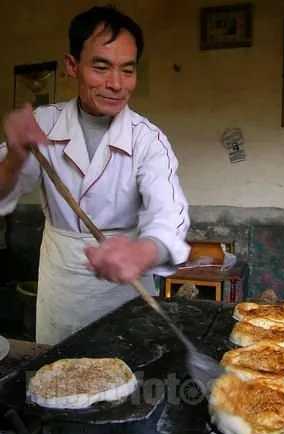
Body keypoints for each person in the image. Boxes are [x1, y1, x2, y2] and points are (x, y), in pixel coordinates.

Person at [0, 5, 190, 345]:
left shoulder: (149, 140)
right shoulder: (43, 124)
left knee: (131, 376)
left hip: (127, 290)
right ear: (72, 66)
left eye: (127, 70)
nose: (116, 84)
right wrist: (15, 156)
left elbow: (170, 217)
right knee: (59, 380)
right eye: (101, 67)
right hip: (63, 286)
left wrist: (140, 253)